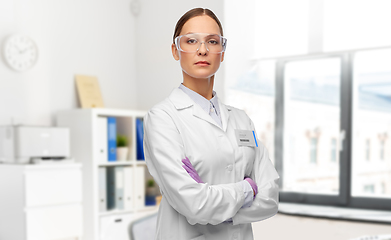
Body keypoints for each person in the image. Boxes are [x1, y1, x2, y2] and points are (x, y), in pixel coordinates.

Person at [143, 7, 279, 240]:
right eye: (192, 41)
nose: (203, 50)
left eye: (213, 42)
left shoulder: (241, 119)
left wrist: (215, 205)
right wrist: (247, 188)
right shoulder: (162, 118)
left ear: (222, 52)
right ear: (176, 51)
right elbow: (194, 204)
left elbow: (270, 197)